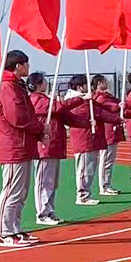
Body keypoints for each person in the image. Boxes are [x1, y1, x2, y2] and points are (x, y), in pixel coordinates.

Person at [0, 50, 42, 248]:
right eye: (26, 64)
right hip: (13, 145)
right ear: (18, 66)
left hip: (22, 144)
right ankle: (5, 232)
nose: (28, 67)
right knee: (12, 189)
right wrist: (38, 127)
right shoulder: (8, 87)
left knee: (20, 191)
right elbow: (17, 118)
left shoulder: (16, 86)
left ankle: (15, 228)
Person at [33, 74, 89, 226]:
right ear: (38, 84)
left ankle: (50, 211)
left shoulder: (48, 100)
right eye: (44, 81)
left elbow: (66, 116)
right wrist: (80, 99)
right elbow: (58, 107)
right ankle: (42, 213)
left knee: (51, 182)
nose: (46, 84)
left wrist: (86, 123)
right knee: (44, 182)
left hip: (55, 145)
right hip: (44, 146)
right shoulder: (37, 100)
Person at [70, 74, 122, 205]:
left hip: (91, 138)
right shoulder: (76, 101)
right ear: (80, 87)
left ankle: (86, 194)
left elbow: (101, 110)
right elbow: (99, 113)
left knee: (90, 168)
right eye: (86, 85)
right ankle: (82, 195)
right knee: (84, 169)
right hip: (84, 139)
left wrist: (119, 112)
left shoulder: (87, 100)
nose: (89, 88)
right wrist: (117, 118)